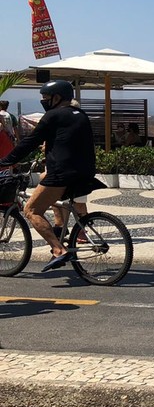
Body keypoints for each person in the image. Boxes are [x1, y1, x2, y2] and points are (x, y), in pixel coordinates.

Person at [0, 80, 96, 273]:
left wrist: (5, 160)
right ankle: (62, 230)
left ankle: (59, 249)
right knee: (54, 200)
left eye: (45, 97)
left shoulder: (52, 116)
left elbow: (30, 142)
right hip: (85, 172)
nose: (43, 101)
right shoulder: (81, 115)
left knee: (31, 210)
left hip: (62, 173)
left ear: (57, 98)